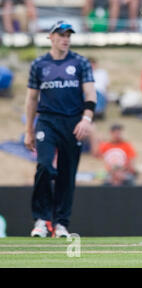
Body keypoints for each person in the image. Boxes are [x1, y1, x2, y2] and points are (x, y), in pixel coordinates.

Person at [24, 21, 96, 238]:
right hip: (47, 121)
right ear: (51, 37)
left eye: (68, 35)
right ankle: (41, 220)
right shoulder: (39, 64)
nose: (65, 39)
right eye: (61, 34)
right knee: (45, 166)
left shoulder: (80, 62)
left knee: (67, 173)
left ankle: (61, 223)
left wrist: (86, 119)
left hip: (73, 122)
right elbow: (31, 99)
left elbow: (91, 95)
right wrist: (28, 130)